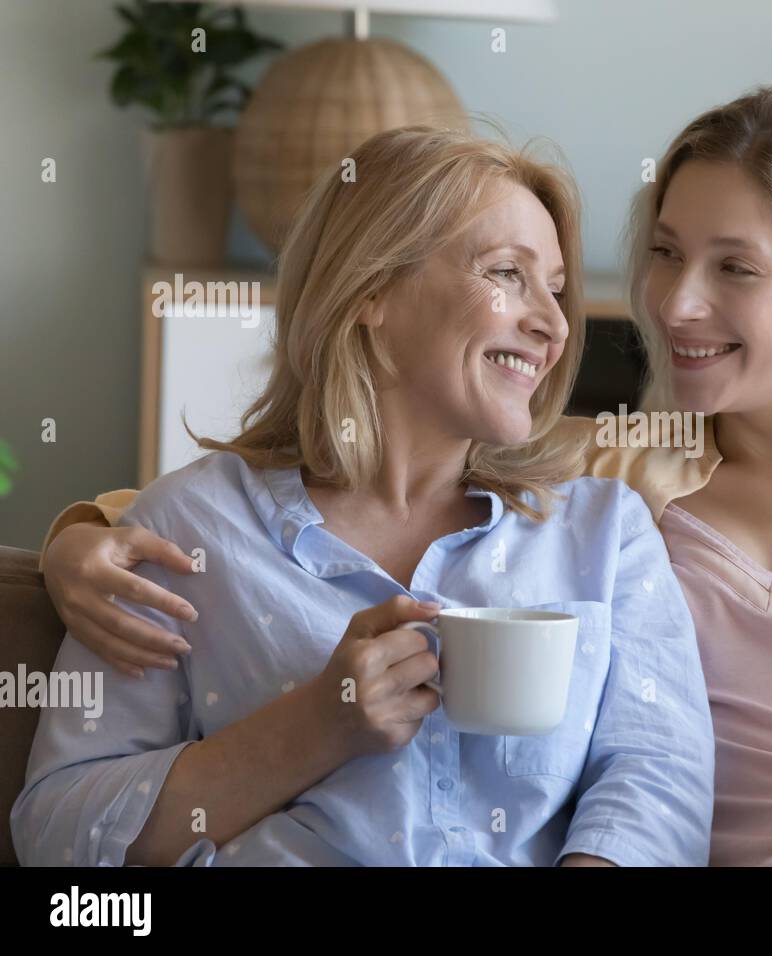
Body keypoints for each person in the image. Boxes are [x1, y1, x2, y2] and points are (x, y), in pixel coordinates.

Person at [34, 85, 772, 867]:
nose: (670, 304)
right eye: (661, 254)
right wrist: (70, 539)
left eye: (731, 268)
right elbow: (240, 519)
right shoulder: (591, 482)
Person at [12, 126, 714, 867]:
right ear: (372, 290)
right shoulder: (183, 531)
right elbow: (57, 835)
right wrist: (314, 727)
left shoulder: (604, 534)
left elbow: (659, 778)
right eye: (507, 273)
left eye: (557, 289)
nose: (552, 324)